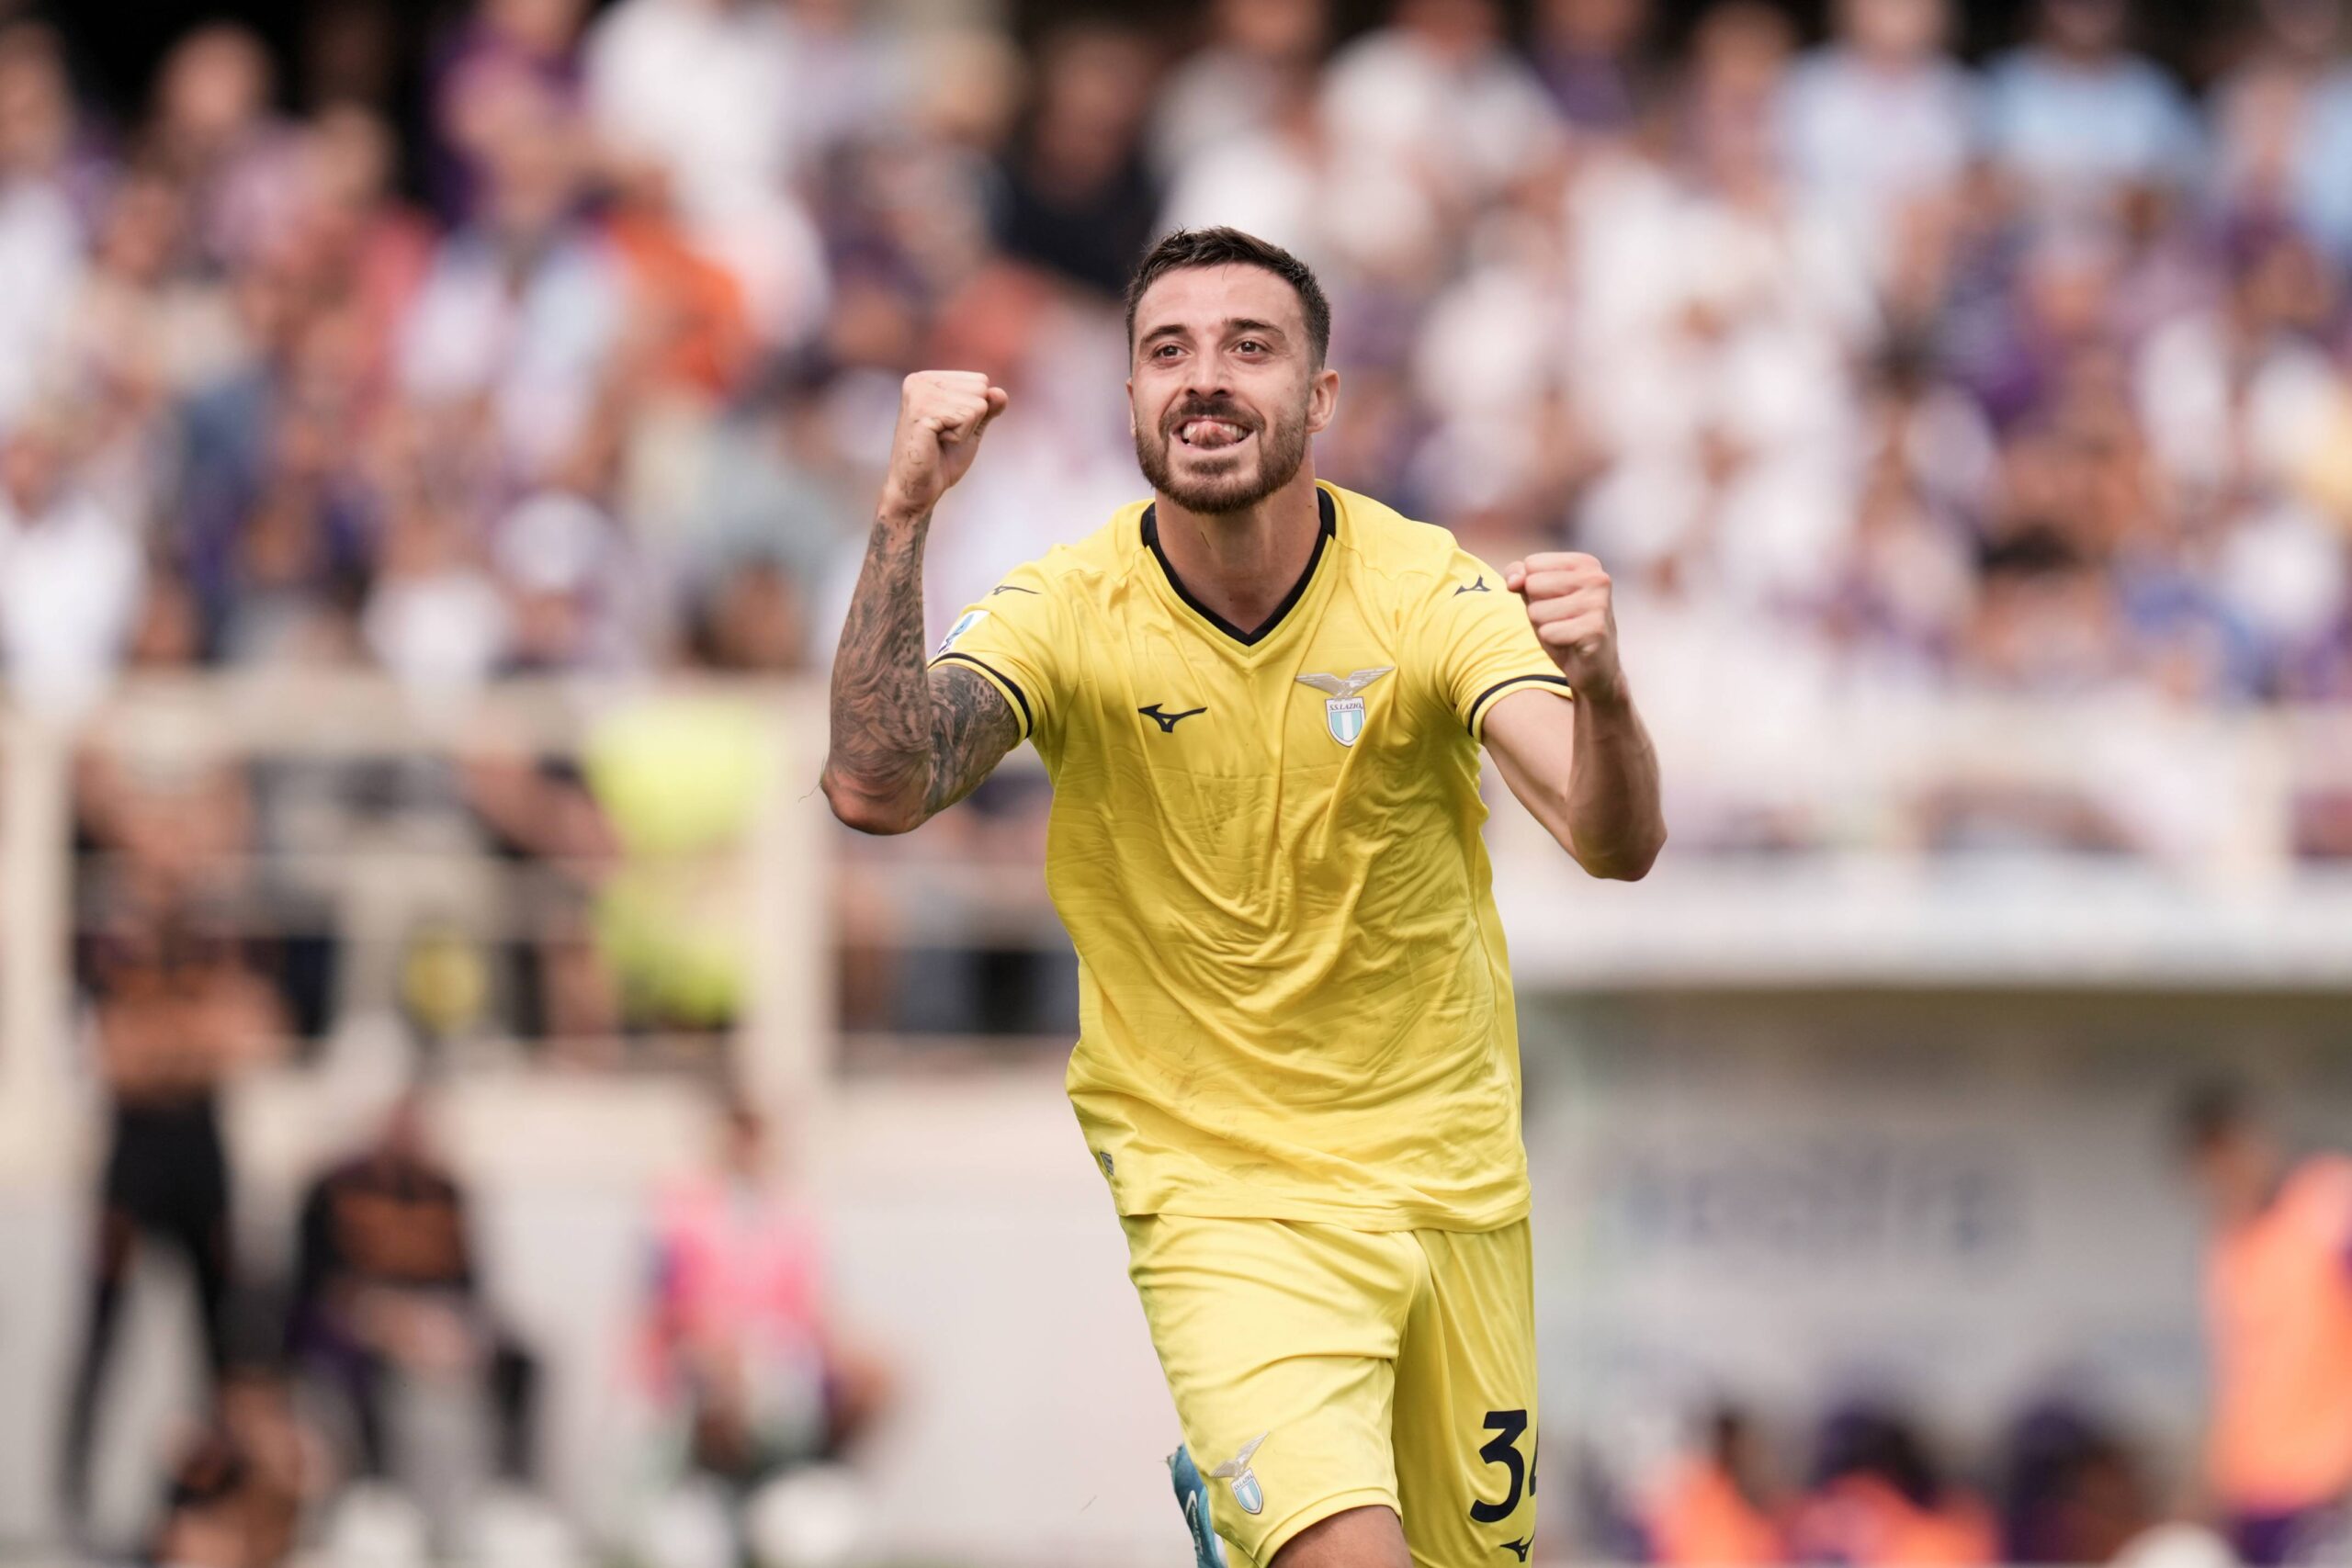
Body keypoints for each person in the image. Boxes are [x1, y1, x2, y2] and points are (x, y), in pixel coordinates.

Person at [821, 226, 1665, 1567]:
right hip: (1221, 1187)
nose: (1204, 378)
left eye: (1248, 347)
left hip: (1450, 1177)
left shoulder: (1427, 588)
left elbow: (1611, 838)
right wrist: (905, 512)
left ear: (1321, 399)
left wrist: (1606, 690)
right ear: (1134, 400)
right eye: (1169, 351)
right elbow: (875, 783)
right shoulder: (1067, 604)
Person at [2176, 1080, 2352, 1565]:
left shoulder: (2326, 1201)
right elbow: (2239, 1380)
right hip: (2254, 1496)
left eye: (2233, 1153)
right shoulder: (2228, 1243)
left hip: (2325, 1491)